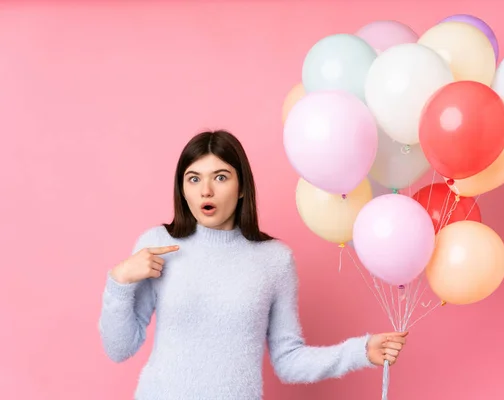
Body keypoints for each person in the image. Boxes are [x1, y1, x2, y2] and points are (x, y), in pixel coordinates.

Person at [98, 129, 408, 400]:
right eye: (194, 179)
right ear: (183, 189)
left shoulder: (274, 259)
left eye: (220, 177)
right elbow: (119, 348)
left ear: (242, 187)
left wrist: (360, 352)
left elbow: (288, 360)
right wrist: (119, 280)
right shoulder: (157, 244)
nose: (206, 190)